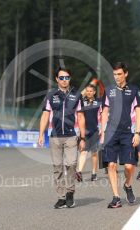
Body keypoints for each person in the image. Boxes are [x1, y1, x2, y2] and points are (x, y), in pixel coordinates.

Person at [38, 67, 86, 209]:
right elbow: (45, 115)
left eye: (67, 78)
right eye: (62, 78)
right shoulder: (51, 95)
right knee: (58, 167)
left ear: (69, 79)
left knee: (71, 164)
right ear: (57, 79)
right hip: (55, 137)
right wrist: (41, 134)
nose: (65, 80)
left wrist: (83, 138)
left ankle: (70, 192)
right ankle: (61, 197)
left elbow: (81, 116)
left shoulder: (77, 95)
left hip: (72, 136)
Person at [100, 62, 140, 208]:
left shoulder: (134, 90)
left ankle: (127, 185)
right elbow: (104, 111)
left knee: (129, 166)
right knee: (111, 165)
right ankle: (116, 197)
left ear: (125, 74)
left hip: (128, 132)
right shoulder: (109, 90)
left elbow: (138, 111)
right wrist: (102, 131)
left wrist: (137, 132)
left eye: (119, 74)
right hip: (111, 133)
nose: (116, 77)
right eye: (115, 74)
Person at [76, 84, 102, 182]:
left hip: (95, 130)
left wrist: (101, 128)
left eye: (91, 91)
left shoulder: (99, 102)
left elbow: (102, 115)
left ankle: (94, 173)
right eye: (87, 91)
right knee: (83, 151)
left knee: (94, 154)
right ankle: (79, 172)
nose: (89, 93)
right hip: (84, 131)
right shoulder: (81, 102)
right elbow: (78, 116)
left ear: (94, 92)